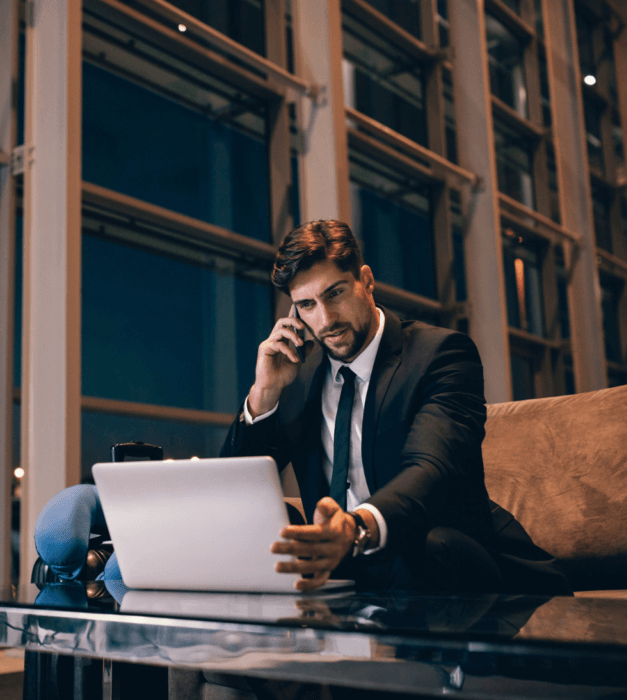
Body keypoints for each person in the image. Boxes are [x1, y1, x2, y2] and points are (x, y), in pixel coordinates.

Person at [220, 219, 569, 594]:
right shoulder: (297, 378)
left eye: (335, 293)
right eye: (307, 304)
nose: (325, 320)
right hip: (352, 573)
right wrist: (264, 393)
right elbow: (232, 492)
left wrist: (355, 528)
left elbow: (430, 470)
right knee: (267, 528)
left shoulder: (440, 355)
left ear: (366, 281)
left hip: (449, 560)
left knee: (423, 548)